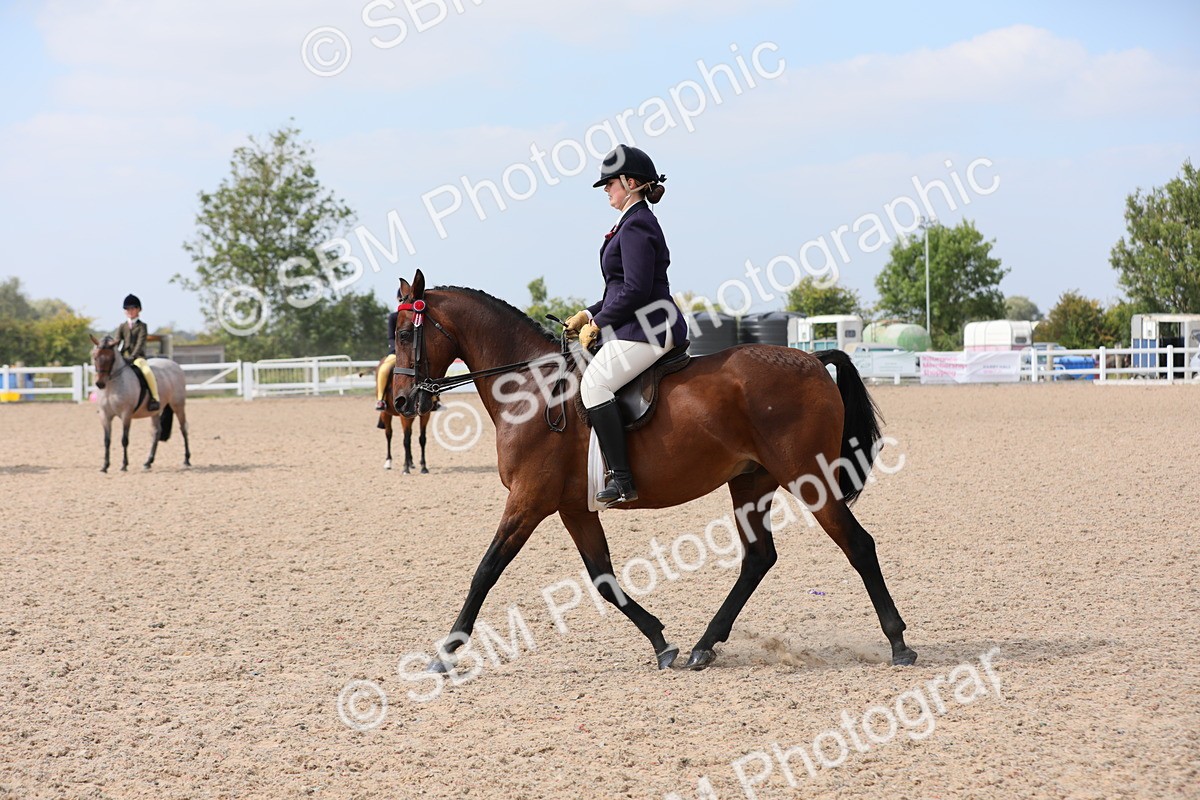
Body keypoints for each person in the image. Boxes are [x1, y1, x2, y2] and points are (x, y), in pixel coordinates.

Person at [563, 145, 688, 506]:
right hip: (636, 324)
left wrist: (600, 322)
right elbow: (619, 289)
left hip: (650, 327)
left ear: (630, 183)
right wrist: (587, 316)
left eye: (610, 184)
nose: (606, 190)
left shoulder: (637, 226)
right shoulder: (628, 224)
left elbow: (635, 289)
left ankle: (622, 480)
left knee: (595, 385)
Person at [113, 294, 161, 411]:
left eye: (132, 308)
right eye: (127, 309)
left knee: (147, 371)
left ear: (138, 309)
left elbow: (140, 343)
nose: (130, 311)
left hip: (138, 357)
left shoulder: (142, 326)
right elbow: (117, 341)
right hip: (124, 357)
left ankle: (155, 397)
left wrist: (133, 356)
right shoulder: (122, 326)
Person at [375, 285, 403, 411]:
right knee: (384, 369)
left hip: (412, 353)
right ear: (398, 299)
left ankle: (435, 400)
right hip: (396, 352)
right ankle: (381, 399)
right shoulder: (393, 317)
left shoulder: (416, 318)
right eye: (401, 299)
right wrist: (397, 349)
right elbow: (391, 337)